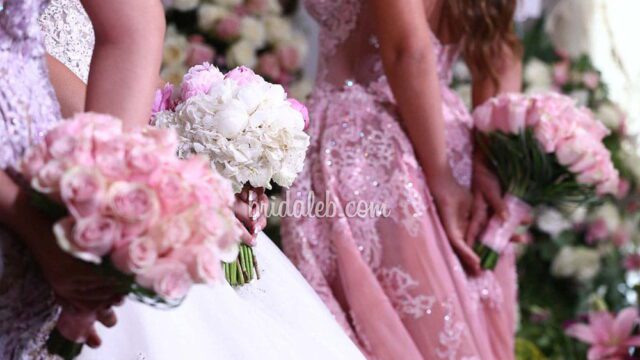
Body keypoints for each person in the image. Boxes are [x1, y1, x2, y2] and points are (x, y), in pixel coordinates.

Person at [39, 1, 365, 359]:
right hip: (63, 151)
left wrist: (217, 155)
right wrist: (182, 180)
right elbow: (30, 72)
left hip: (126, 139)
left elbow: (130, 55)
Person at [281, 0, 523, 358]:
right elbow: (499, 56)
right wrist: (488, 162)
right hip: (450, 142)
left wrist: (442, 180)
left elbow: (407, 50)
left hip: (370, 152)